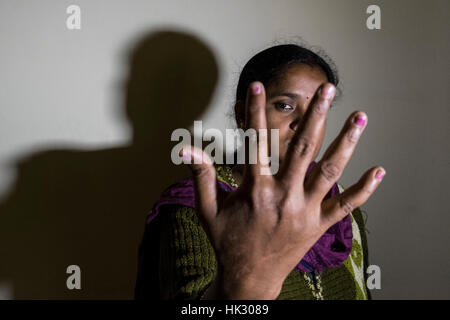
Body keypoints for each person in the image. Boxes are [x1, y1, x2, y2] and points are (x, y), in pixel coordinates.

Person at [134, 44, 385, 300]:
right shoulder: (199, 207)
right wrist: (247, 285)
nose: (303, 123)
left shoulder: (339, 203)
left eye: (316, 110)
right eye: (285, 106)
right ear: (242, 114)